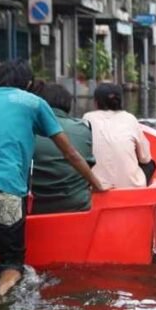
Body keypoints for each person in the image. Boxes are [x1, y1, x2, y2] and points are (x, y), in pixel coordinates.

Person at [0, 59, 107, 297]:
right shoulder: (33, 102)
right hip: (5, 191)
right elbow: (70, 153)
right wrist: (98, 185)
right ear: (28, 84)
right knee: (12, 266)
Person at [31, 83, 96, 215]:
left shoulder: (26, 129)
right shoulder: (83, 129)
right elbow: (89, 164)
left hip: (35, 208)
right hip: (77, 206)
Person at [84, 83, 152, 190]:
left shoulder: (87, 118)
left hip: (96, 187)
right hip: (132, 188)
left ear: (96, 103)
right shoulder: (130, 119)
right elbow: (145, 158)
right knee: (151, 164)